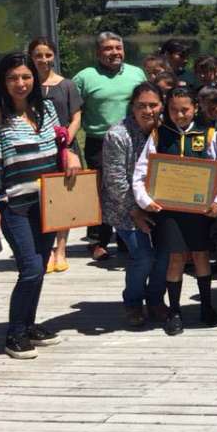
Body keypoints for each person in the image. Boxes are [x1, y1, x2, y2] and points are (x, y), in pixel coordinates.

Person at [0, 53, 81, 359]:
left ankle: (29, 323)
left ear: (34, 80)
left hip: (48, 202)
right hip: (15, 205)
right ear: (3, 82)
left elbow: (59, 142)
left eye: (25, 77)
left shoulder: (45, 108)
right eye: (12, 78)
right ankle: (15, 334)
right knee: (31, 268)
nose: (20, 83)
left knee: (38, 269)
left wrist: (70, 153)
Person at [133, 87, 217, 335]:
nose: (179, 115)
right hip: (169, 210)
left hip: (200, 209)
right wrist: (144, 200)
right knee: (175, 258)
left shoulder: (208, 134)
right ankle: (174, 311)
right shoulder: (158, 135)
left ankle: (207, 307)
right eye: (173, 110)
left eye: (185, 109)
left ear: (195, 107)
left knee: (201, 256)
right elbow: (141, 173)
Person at [73, 31, 146, 262]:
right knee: (102, 190)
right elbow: (74, 110)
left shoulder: (137, 73)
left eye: (118, 47)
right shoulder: (85, 77)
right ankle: (98, 240)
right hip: (100, 141)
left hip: (133, 138)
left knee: (131, 186)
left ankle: (126, 237)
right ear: (97, 52)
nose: (114, 52)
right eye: (108, 48)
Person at [101, 82, 166, 327]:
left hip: (161, 206)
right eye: (142, 106)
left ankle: (156, 300)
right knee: (143, 257)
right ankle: (133, 301)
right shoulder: (117, 135)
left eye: (154, 105)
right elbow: (115, 179)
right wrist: (135, 210)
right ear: (132, 107)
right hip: (125, 208)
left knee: (164, 255)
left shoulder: (166, 130)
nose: (148, 111)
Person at [28, 36, 82, 274]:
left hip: (65, 149)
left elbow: (76, 116)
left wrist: (66, 139)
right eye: (38, 55)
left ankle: (61, 249)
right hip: (37, 151)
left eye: (47, 54)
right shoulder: (27, 84)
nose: (43, 59)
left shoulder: (67, 85)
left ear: (54, 56)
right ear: (31, 57)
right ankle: (46, 249)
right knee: (40, 200)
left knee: (63, 200)